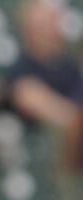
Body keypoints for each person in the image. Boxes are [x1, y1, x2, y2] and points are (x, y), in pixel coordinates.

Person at [6, 0, 83, 172]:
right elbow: (67, 119)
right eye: (41, 25)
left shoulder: (70, 66)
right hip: (50, 165)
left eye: (52, 21)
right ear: (27, 29)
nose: (49, 29)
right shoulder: (21, 70)